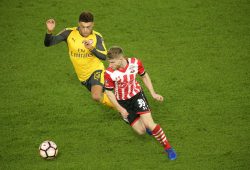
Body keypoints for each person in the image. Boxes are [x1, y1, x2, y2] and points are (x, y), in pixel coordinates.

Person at [104, 46, 177, 160]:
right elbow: (108, 92)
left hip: (137, 96)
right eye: (109, 62)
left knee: (150, 124)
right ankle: (141, 123)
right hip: (123, 103)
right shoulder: (109, 73)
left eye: (112, 62)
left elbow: (144, 75)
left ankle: (168, 148)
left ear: (121, 59)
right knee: (141, 131)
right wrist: (120, 109)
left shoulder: (135, 63)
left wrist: (153, 93)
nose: (110, 65)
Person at [44, 11, 113, 108]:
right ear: (78, 24)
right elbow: (48, 43)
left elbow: (104, 57)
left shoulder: (97, 36)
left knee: (96, 96)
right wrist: (49, 32)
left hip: (96, 70)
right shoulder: (68, 33)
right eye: (82, 27)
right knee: (104, 95)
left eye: (88, 27)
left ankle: (124, 111)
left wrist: (92, 49)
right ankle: (123, 107)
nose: (85, 30)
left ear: (93, 25)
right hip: (83, 77)